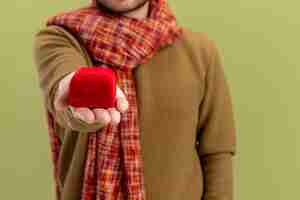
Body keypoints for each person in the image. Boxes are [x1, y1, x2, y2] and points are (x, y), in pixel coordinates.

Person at [33, 0, 237, 200]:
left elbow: (216, 151)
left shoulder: (199, 51)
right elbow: (65, 97)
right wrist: (74, 89)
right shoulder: (61, 38)